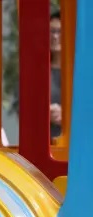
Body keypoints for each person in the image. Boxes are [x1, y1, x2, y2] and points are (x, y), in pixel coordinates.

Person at [50, 10, 62, 140]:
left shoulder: (81, 72)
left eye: (59, 31)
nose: (55, 37)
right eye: (52, 31)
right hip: (46, 142)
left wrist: (68, 117)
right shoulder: (40, 71)